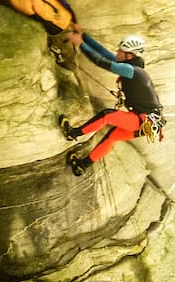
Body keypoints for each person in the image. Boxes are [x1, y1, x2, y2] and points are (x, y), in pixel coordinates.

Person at [60, 32, 164, 176]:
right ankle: (82, 165)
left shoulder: (130, 70)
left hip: (143, 121)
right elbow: (103, 53)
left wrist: (81, 45)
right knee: (112, 137)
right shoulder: (132, 68)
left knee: (107, 115)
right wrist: (83, 35)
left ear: (129, 56)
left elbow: (99, 61)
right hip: (150, 124)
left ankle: (72, 133)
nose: (117, 52)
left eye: (120, 51)